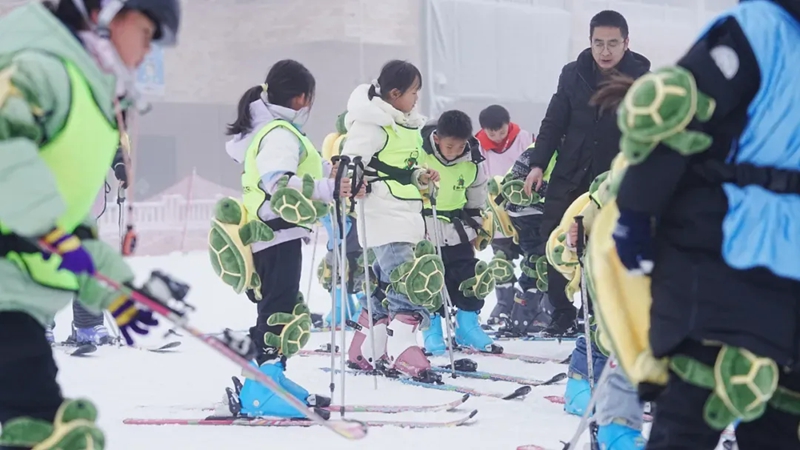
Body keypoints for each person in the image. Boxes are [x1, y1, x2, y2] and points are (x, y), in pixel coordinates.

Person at [602, 0, 800, 448]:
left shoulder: (760, 29)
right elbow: (678, 115)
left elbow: (678, 117)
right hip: (734, 253)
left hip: (752, 258)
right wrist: (637, 210)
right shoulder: (757, 30)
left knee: (757, 418)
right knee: (724, 411)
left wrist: (637, 211)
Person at [0, 1, 180, 448]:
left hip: (17, 301)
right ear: (107, 12)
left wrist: (115, 291)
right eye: (145, 34)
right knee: (47, 432)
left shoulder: (86, 90)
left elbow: (72, 226)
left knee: (40, 428)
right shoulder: (40, 68)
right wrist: (43, 225)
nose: (146, 53)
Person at [222, 60, 360, 418]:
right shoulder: (280, 133)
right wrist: (329, 188)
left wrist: (331, 177)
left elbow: (298, 172)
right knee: (278, 310)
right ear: (301, 98)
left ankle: (271, 379)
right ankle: (260, 392)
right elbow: (277, 183)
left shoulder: (277, 130)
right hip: (276, 233)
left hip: (276, 234)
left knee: (279, 305)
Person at [525, 10, 650, 336]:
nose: (605, 51)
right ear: (590, 42)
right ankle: (562, 312)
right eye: (598, 43)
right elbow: (554, 122)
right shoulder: (572, 74)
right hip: (571, 171)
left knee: (603, 243)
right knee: (554, 237)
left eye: (612, 43)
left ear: (626, 42)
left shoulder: (641, 80)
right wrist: (538, 164)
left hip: (612, 178)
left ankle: (598, 313)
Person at [342, 60, 443, 382]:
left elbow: (400, 166)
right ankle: (401, 347)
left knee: (385, 282)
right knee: (406, 279)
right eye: (413, 92)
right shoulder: (372, 122)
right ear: (395, 93)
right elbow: (350, 160)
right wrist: (352, 181)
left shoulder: (405, 124)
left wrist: (420, 175)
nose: (417, 98)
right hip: (383, 213)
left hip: (404, 211)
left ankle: (367, 347)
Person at [416, 110, 501, 355]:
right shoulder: (420, 152)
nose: (454, 152)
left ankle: (467, 325)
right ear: (437, 138)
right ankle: (431, 329)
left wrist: (477, 226)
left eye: (460, 146)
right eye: (449, 146)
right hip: (426, 228)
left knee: (470, 277)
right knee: (430, 279)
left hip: (459, 229)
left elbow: (476, 194)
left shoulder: (473, 158)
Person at [46, 146, 130, 347]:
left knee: (86, 256)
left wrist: (120, 162)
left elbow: (108, 137)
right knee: (45, 259)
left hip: (80, 196)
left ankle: (88, 325)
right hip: (42, 191)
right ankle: (39, 322)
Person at [475, 105, 534, 322]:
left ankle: (529, 303)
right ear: (484, 130)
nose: (498, 137)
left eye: (502, 131)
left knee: (532, 256)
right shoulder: (477, 146)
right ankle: (504, 303)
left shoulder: (524, 138)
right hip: (496, 211)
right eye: (492, 134)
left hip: (524, 208)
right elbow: (478, 176)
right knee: (501, 258)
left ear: (508, 124)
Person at [491, 142, 557, 334]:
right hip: (527, 212)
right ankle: (526, 313)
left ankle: (535, 310)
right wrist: (551, 191)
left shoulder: (563, 148)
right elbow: (515, 181)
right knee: (538, 260)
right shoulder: (541, 149)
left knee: (544, 259)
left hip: (543, 211)